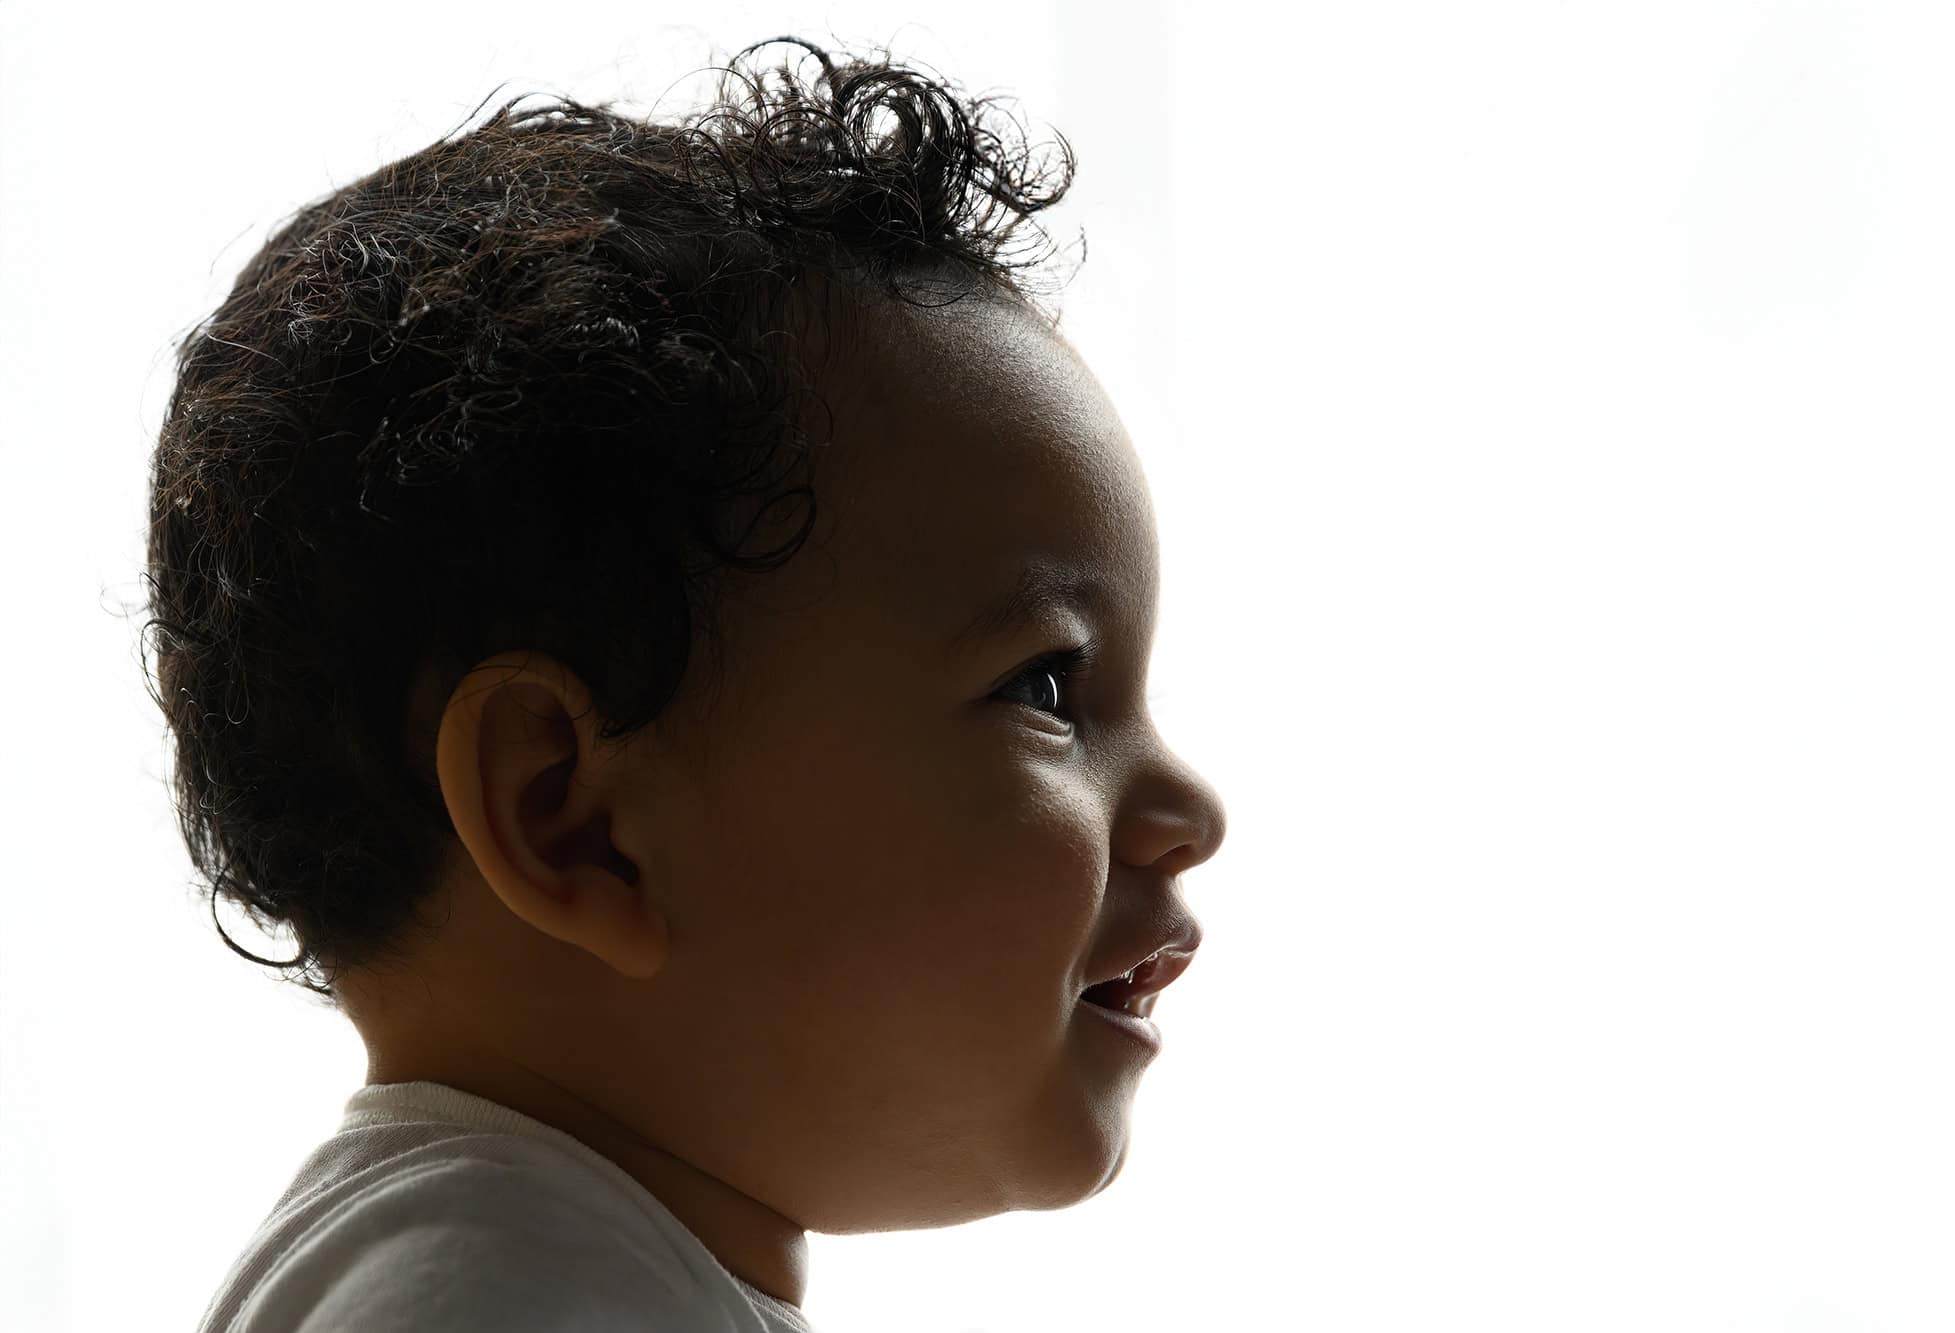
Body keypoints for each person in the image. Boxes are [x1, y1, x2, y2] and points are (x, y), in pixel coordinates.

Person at [151, 32, 1227, 1332]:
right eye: (1048, 687)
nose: (1191, 806)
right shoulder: (502, 1292)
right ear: (577, 818)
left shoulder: (546, 1257)